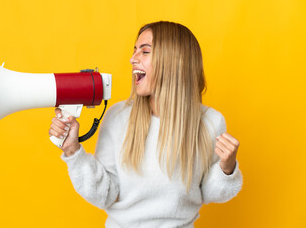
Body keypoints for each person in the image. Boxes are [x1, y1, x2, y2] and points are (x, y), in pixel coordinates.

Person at [49, 21, 242, 228]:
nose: (133, 59)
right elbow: (105, 194)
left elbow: (207, 193)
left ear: (174, 60)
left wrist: (227, 168)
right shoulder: (118, 117)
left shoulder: (211, 122)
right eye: (135, 51)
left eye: (145, 51)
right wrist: (72, 150)